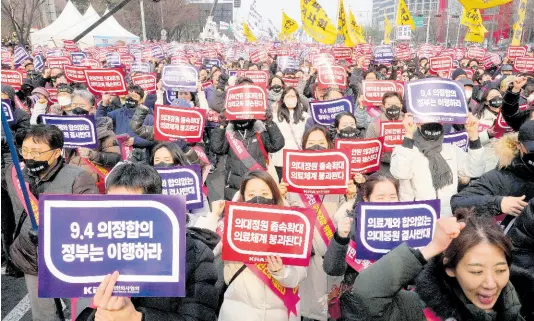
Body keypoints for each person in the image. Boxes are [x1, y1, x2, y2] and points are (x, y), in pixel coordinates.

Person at [77, 162, 219, 321]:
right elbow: (82, 307)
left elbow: (200, 317)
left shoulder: (193, 254)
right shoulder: (94, 250)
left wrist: (137, 317)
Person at [350, 211, 529, 321]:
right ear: (450, 268)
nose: (490, 283)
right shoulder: (416, 309)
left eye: (500, 270)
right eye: (476, 271)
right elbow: (366, 296)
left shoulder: (521, 302)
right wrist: (431, 248)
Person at [6, 125, 98, 321]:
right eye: (26, 151)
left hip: (68, 259)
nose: (29, 157)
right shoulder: (16, 173)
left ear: (57, 152)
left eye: (37, 152)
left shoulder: (77, 177)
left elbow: (91, 220)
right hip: (31, 256)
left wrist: (54, 232)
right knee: (42, 314)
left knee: (80, 310)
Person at [279, 125, 359, 321]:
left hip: (332, 253)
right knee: (308, 308)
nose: (316, 147)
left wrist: (352, 195)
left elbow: (348, 215)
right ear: (303, 148)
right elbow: (284, 217)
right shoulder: (291, 179)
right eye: (311, 144)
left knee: (333, 306)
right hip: (307, 256)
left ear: (330, 146)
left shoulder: (339, 177)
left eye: (321, 143)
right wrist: (280, 197)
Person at [216, 170, 307, 321]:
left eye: (265, 193)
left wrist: (281, 272)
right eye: (251, 194)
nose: (258, 198)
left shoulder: (291, 226)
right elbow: (207, 251)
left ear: (274, 195)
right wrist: (214, 218)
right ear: (243, 197)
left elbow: (299, 275)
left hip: (279, 314)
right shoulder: (231, 224)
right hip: (238, 313)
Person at [323, 173, 400, 320]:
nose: (388, 202)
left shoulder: (407, 225)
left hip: (395, 303)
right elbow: (332, 268)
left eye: (392, 196)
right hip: (357, 306)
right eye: (380, 197)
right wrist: (340, 238)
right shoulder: (352, 225)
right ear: (367, 199)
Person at [390, 113, 485, 216]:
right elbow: (400, 173)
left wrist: (474, 136)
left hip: (446, 217)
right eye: (427, 118)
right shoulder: (405, 149)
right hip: (416, 218)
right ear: (417, 122)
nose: (432, 122)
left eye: (437, 119)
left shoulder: (451, 150)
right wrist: (409, 134)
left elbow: (475, 170)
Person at [451, 120, 534, 216]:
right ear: (518, 145)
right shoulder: (501, 177)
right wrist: (498, 203)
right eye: (533, 149)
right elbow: (458, 203)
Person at [210, 107, 285, 200]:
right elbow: (217, 148)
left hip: (258, 184)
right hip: (235, 185)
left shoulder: (260, 132)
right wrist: (221, 126)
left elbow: (277, 145)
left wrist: (269, 123)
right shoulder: (229, 133)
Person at [96, 85, 155, 153]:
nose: (130, 98)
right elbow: (100, 121)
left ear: (141, 100)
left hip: (139, 157)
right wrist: (104, 104)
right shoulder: (117, 113)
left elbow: (153, 138)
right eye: (128, 96)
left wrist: (135, 141)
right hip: (118, 154)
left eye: (134, 96)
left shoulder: (149, 117)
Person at [271, 87, 309, 181]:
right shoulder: (276, 116)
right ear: (283, 99)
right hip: (280, 159)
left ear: (297, 99)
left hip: (299, 158)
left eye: (293, 96)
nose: (291, 98)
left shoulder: (305, 116)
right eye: (288, 96)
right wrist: (274, 114)